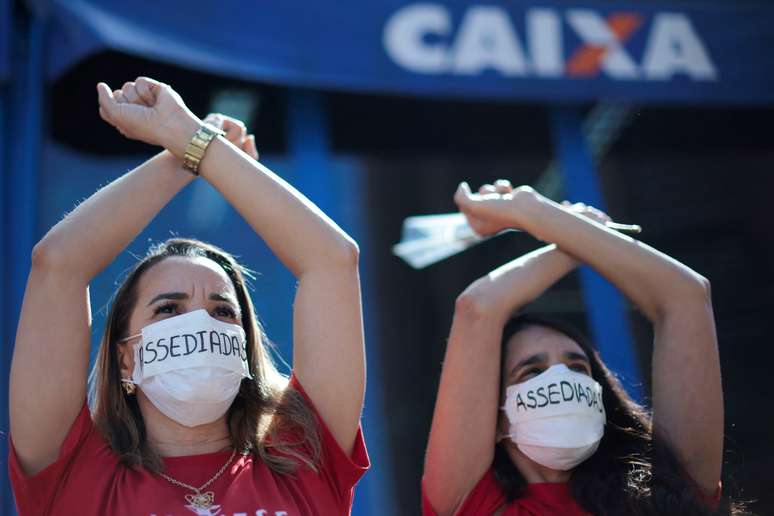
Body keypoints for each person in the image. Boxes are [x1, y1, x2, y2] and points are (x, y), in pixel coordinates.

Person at [9, 77, 368, 515]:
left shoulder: (304, 454)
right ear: (125, 357)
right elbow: (58, 262)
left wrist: (191, 138)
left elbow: (333, 259)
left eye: (222, 310)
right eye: (168, 308)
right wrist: (184, 155)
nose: (200, 322)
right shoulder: (73, 471)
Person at [422, 180, 739, 515]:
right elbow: (478, 307)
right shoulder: (475, 506)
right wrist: (565, 229)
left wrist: (539, 215)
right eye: (531, 370)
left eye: (577, 367)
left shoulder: (664, 492)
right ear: (496, 419)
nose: (561, 378)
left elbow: (687, 296)